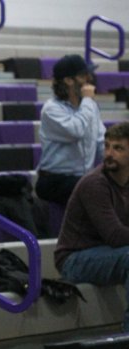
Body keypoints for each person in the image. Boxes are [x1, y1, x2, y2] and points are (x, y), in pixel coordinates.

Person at [55, 122, 129, 332]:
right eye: (107, 146)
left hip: (108, 253)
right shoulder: (95, 183)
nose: (109, 154)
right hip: (75, 258)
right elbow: (114, 235)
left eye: (118, 148)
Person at [36, 54, 106, 207]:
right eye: (83, 76)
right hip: (54, 180)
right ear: (68, 80)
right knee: (96, 190)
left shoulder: (90, 107)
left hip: (82, 178)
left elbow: (101, 141)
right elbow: (76, 131)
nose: (89, 79)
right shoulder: (51, 109)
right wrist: (88, 100)